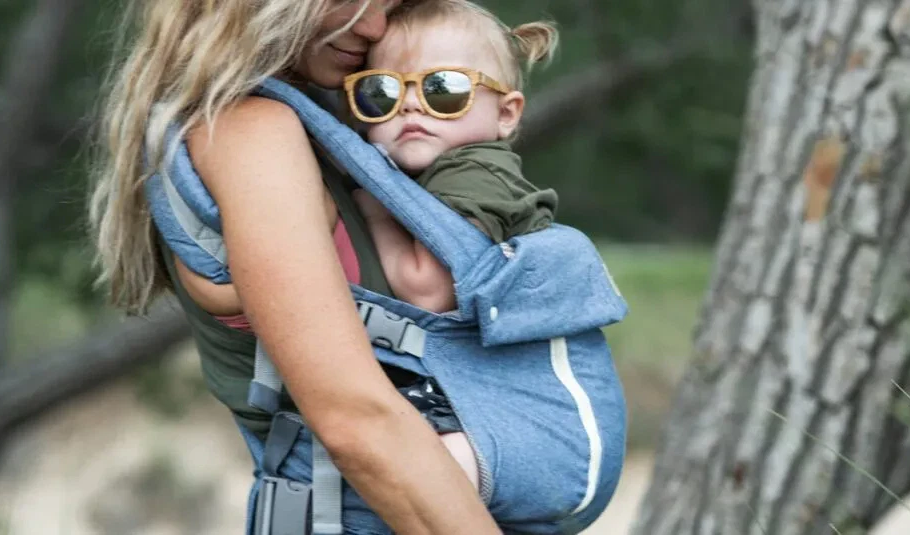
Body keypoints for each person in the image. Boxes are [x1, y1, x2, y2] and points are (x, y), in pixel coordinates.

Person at [87, 0, 500, 533]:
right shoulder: (250, 135)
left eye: (390, 4)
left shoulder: (327, 124)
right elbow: (355, 421)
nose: (374, 25)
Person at [345, 0, 559, 492]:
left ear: (506, 114)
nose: (413, 105)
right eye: (382, 92)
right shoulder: (437, 174)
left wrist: (373, 210)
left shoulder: (477, 172)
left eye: (445, 90)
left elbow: (427, 290)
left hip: (512, 402)